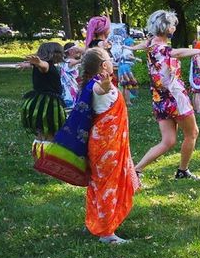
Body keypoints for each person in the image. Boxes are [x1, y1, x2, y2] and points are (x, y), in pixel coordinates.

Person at [134, 10, 200, 181]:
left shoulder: (150, 43)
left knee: (168, 141)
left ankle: (136, 170)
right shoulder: (161, 48)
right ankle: (183, 171)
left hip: (159, 98)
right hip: (174, 97)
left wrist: (130, 48)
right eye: (172, 25)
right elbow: (176, 53)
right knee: (192, 133)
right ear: (165, 27)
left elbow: (142, 45)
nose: (174, 28)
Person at [81, 48, 140, 244]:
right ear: (103, 65)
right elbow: (101, 90)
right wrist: (106, 84)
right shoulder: (97, 85)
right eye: (109, 58)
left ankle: (95, 222)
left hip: (107, 144)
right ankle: (107, 233)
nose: (112, 60)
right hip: (106, 147)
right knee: (108, 186)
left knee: (98, 185)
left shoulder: (92, 83)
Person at [21, 42, 67, 154]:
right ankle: (47, 157)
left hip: (37, 102)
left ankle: (38, 156)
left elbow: (41, 66)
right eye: (60, 53)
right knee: (50, 131)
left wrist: (32, 64)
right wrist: (39, 63)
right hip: (48, 105)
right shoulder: (46, 65)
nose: (62, 55)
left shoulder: (39, 66)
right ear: (53, 54)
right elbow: (44, 66)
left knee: (40, 133)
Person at [59, 43, 82, 114]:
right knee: (71, 106)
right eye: (76, 49)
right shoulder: (70, 61)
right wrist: (82, 51)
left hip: (67, 86)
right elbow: (84, 59)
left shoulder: (65, 61)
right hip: (69, 88)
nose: (78, 51)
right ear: (71, 51)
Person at [118, 37, 140, 105]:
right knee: (127, 85)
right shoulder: (128, 50)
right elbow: (128, 56)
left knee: (124, 85)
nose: (133, 45)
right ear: (130, 44)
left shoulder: (124, 50)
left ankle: (122, 101)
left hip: (122, 68)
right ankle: (128, 101)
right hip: (126, 69)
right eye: (132, 43)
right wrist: (137, 59)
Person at [189, 40, 200, 114]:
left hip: (194, 77)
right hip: (198, 77)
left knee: (195, 93)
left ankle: (194, 108)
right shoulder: (198, 57)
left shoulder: (194, 56)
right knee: (198, 94)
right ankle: (198, 109)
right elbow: (199, 67)